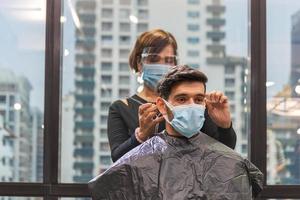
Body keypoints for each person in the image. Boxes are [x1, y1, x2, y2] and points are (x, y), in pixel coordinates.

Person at [89, 65, 263, 200]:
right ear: (163, 106)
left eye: (198, 99)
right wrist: (141, 134)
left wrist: (225, 126)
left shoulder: (232, 163)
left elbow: (223, 158)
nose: (191, 105)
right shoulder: (137, 162)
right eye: (181, 99)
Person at [107, 29, 236, 162]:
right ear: (139, 64)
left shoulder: (193, 105)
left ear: (175, 64)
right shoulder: (121, 108)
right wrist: (141, 135)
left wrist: (225, 126)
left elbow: (225, 153)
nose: (162, 65)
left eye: (168, 60)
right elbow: (118, 160)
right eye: (154, 59)